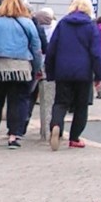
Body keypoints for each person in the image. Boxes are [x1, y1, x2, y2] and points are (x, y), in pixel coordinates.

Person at [46, 0, 101, 150]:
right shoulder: (91, 27)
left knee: (60, 103)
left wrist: (50, 72)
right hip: (83, 73)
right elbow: (97, 53)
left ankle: (56, 126)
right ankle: (74, 138)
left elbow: (51, 49)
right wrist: (99, 76)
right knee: (81, 106)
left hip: (63, 71)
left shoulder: (62, 24)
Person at [0, 0, 42, 149]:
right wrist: (38, 68)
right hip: (21, 67)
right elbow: (36, 48)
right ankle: (13, 135)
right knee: (17, 101)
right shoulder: (27, 22)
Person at [34, 8, 57, 139]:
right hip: (49, 66)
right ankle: (47, 131)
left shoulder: (34, 26)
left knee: (26, 97)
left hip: (33, 63)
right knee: (49, 99)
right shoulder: (57, 27)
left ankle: (18, 129)